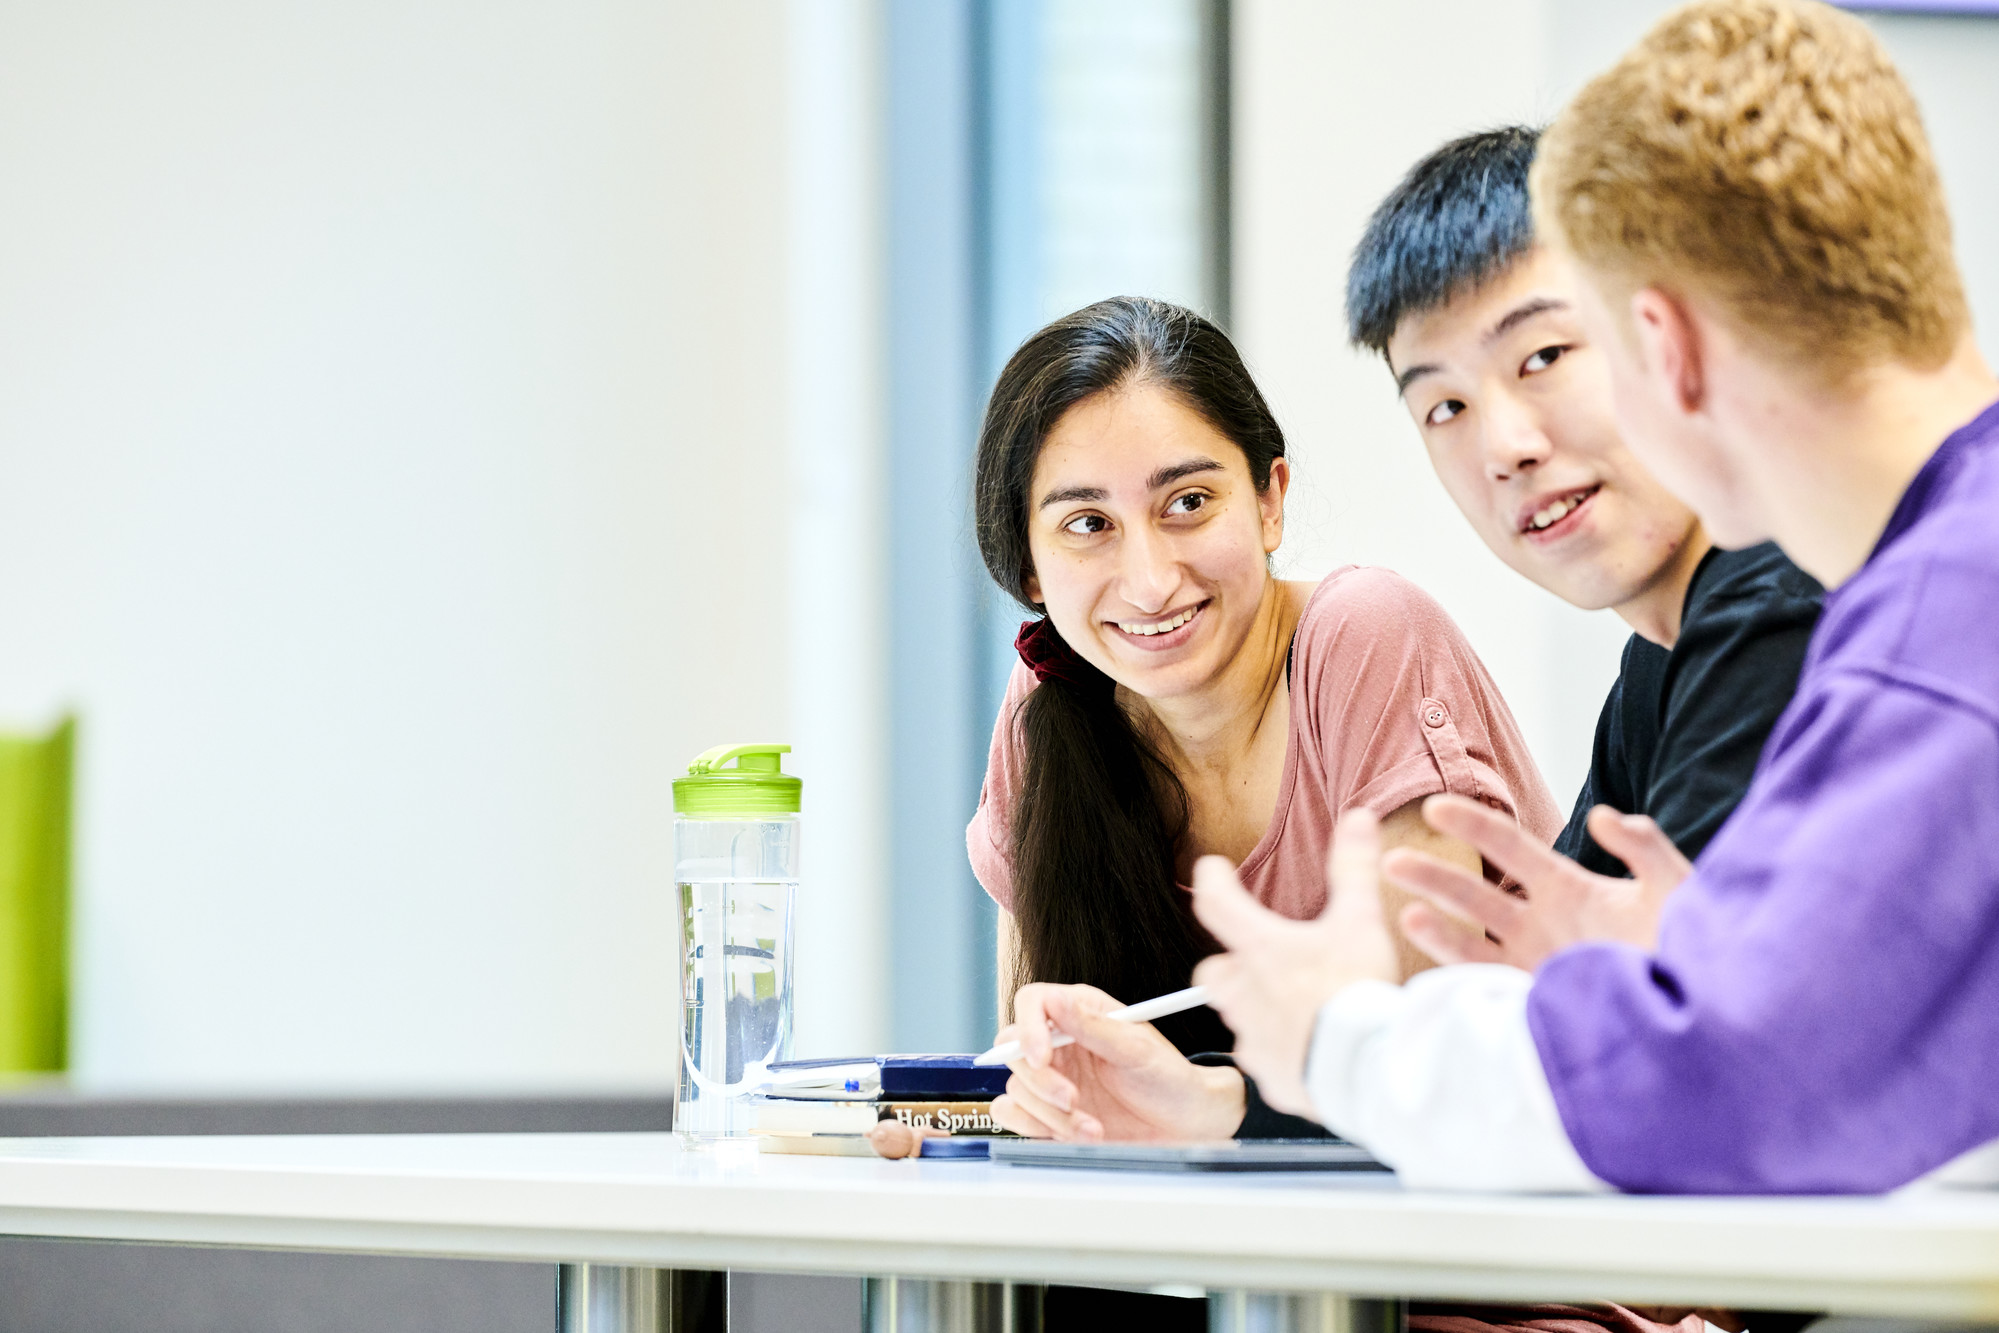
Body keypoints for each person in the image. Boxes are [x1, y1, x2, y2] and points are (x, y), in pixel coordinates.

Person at [1191, 0, 1999, 1194]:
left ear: (1657, 343)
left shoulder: (1937, 623)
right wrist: (1697, 970)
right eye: (1446, 406)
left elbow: (1729, 1081)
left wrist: (1337, 1036)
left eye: (1559, 355)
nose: (1511, 442)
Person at [967, 295, 1561, 1142]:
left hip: (1494, 1241)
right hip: (1221, 1256)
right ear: (1028, 564)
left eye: (1187, 503)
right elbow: (1045, 1069)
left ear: (1268, 499)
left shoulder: (1365, 635)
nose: (1149, 581)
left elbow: (1406, 1084)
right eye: (1088, 524)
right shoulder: (1049, 707)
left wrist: (1202, 1111)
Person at [1350, 126, 1822, 881]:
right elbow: (1563, 941)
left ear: (1671, 332)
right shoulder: (1658, 657)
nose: (1504, 447)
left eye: (1542, 356)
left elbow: (1667, 987)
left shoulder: (1782, 598)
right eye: (1444, 407)